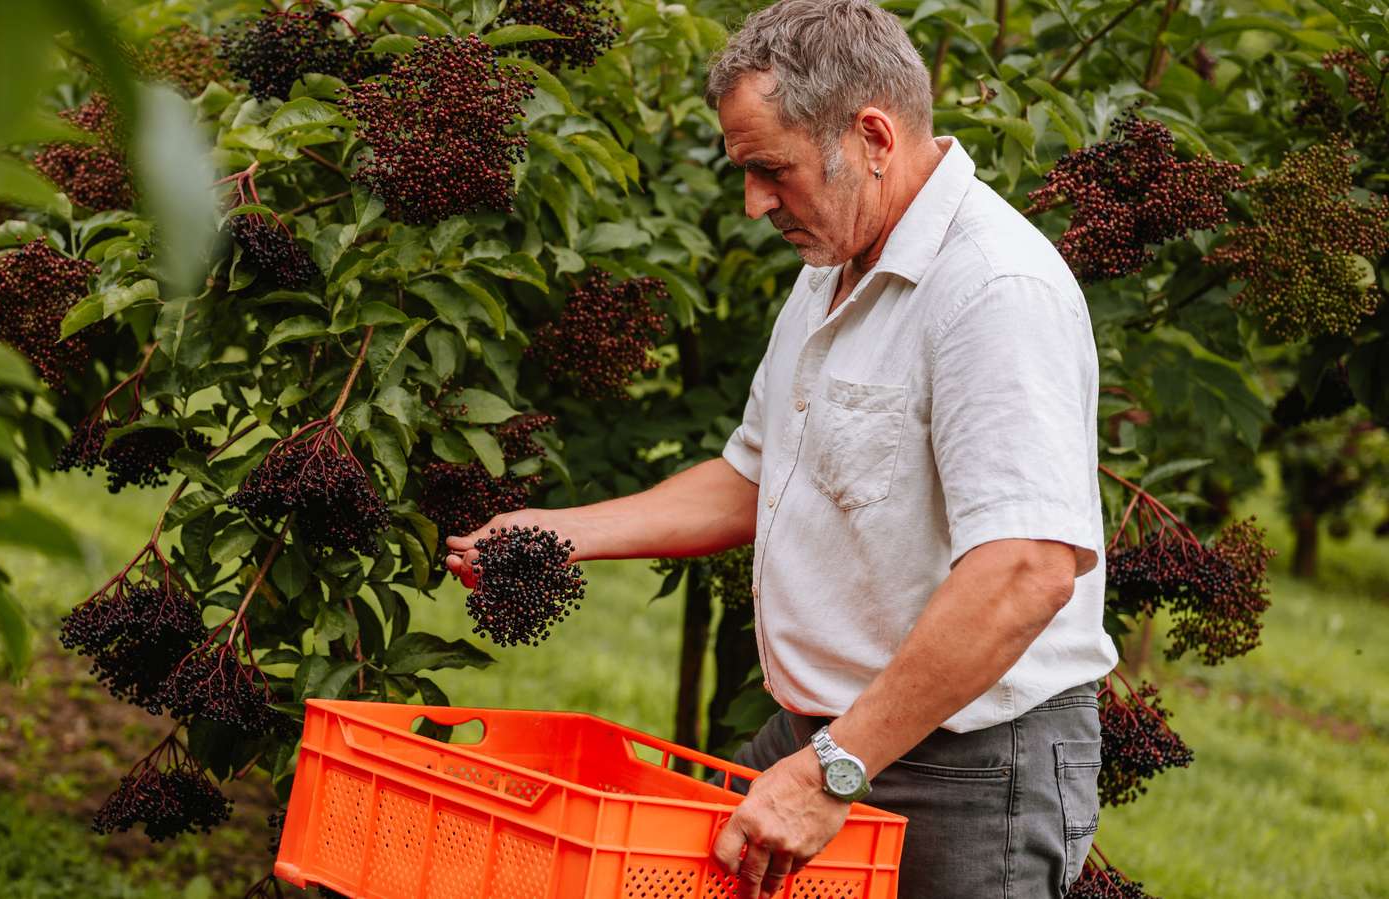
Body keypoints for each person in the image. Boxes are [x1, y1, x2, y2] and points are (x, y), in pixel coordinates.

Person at [442, 1, 1118, 896]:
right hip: (830, 732)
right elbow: (755, 476)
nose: (756, 202)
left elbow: (1027, 568)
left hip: (964, 764)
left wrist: (835, 767)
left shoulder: (994, 290)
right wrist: (558, 533)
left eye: (772, 170)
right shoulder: (832, 268)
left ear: (872, 135)